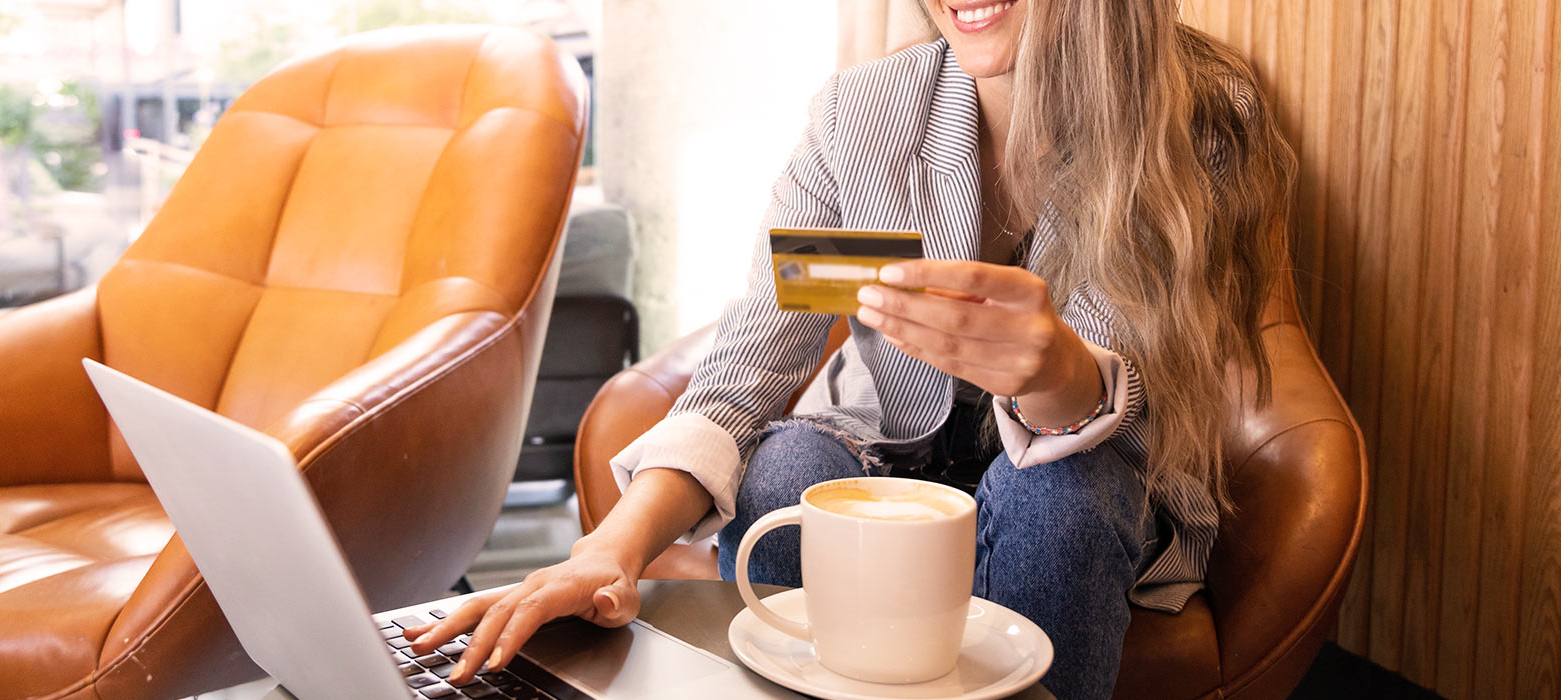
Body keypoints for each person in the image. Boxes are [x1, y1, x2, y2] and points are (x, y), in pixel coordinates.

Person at [405, 1, 1295, 697]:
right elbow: (750, 365)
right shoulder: (860, 118)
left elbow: (1135, 388)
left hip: (1088, 469)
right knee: (785, 477)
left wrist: (1060, 376)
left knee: (1067, 503)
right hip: (887, 445)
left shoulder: (1197, 121)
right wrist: (610, 546)